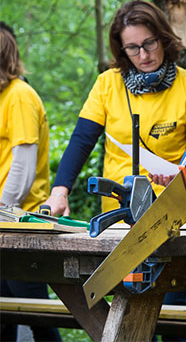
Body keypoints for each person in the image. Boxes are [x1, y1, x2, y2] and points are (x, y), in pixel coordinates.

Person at [45, 0, 186, 342]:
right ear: (122, 49)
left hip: (173, 221)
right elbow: (81, 140)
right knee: (127, 320)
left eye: (149, 43)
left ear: (163, 37)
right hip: (118, 224)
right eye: (132, 47)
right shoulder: (108, 84)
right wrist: (59, 191)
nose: (144, 54)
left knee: (172, 322)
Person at [0, 22, 61, 341]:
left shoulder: (20, 96)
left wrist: (1, 214)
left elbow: (21, 171)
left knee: (38, 316)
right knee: (5, 316)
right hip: (5, 225)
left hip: (19, 224)